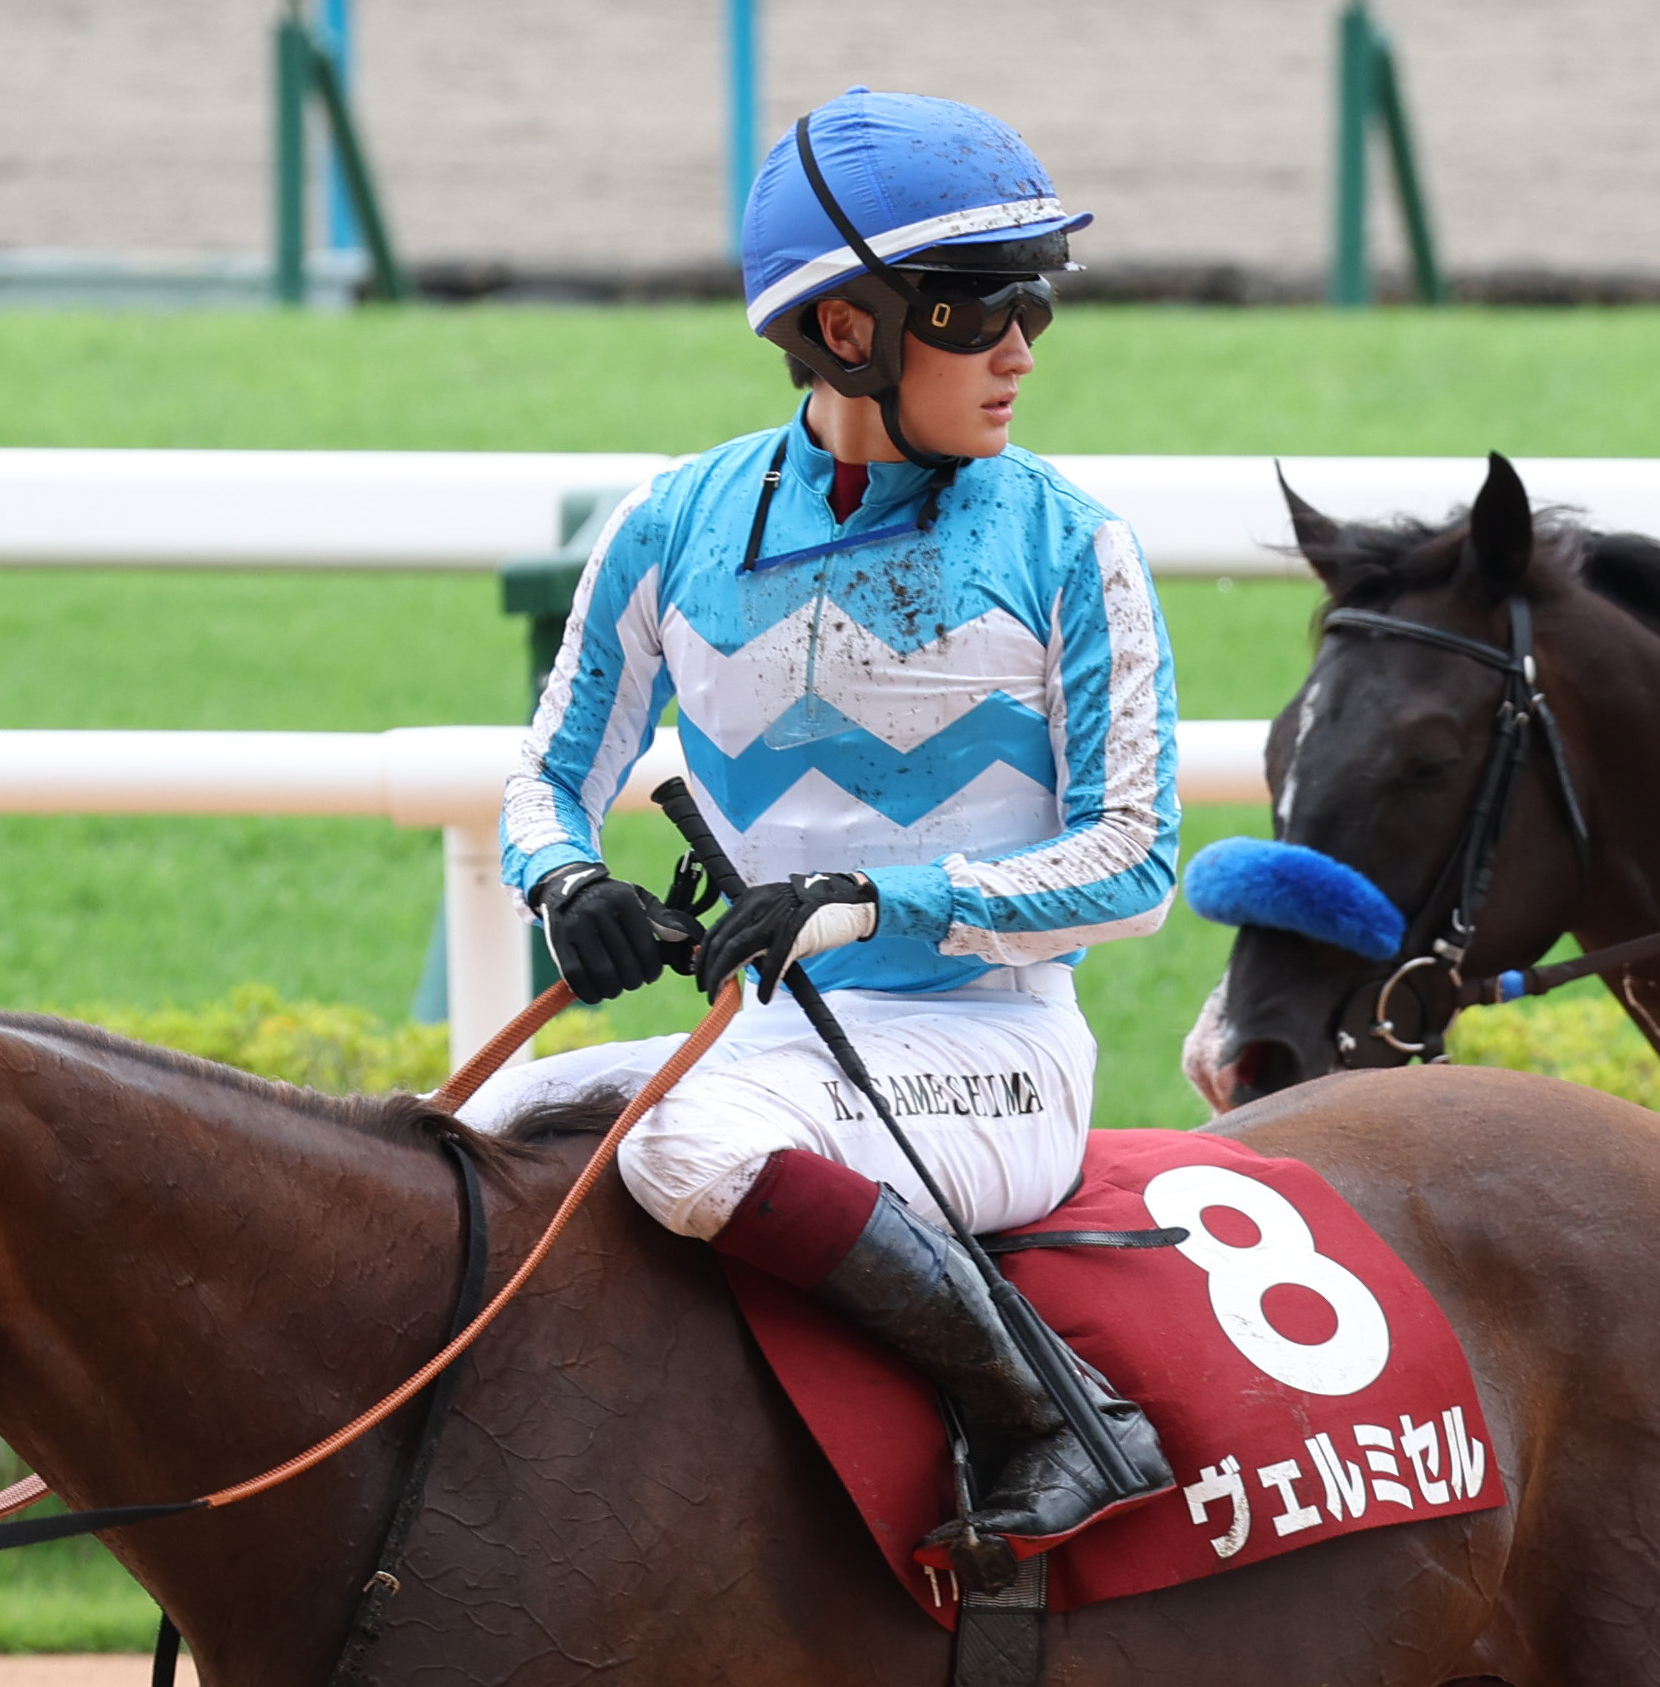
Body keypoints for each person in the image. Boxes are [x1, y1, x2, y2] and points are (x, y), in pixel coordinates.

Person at [470, 86, 1181, 1562]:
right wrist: (567, 882)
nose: (1023, 348)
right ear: (849, 328)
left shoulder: (1071, 544)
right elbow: (547, 776)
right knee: (461, 1144)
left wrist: (877, 900)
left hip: (995, 1054)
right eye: (983, 307)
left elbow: (1138, 861)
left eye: (1036, 304)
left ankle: (1060, 1413)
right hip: (769, 1049)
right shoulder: (672, 523)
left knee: (684, 1149)